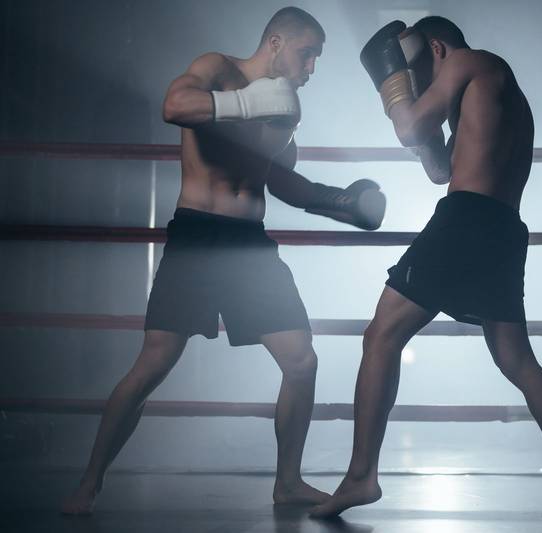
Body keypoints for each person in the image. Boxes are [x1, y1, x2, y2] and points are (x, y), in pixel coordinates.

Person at [61, 6, 385, 515]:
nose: (311, 68)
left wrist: (339, 201)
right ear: (276, 42)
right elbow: (174, 105)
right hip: (198, 234)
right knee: (154, 363)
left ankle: (288, 482)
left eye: (317, 58)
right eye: (307, 54)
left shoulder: (287, 108)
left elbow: (279, 181)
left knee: (301, 360)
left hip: (249, 243)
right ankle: (89, 482)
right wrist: (249, 102)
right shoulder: (217, 68)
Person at [310, 16, 542, 518]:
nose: (420, 83)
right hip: (503, 228)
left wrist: (391, 86)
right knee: (517, 361)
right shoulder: (496, 91)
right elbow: (439, 168)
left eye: (419, 69)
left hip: (466, 219)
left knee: (381, 336)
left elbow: (408, 128)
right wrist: (413, 107)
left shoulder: (469, 62)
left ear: (437, 48)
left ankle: (360, 478)